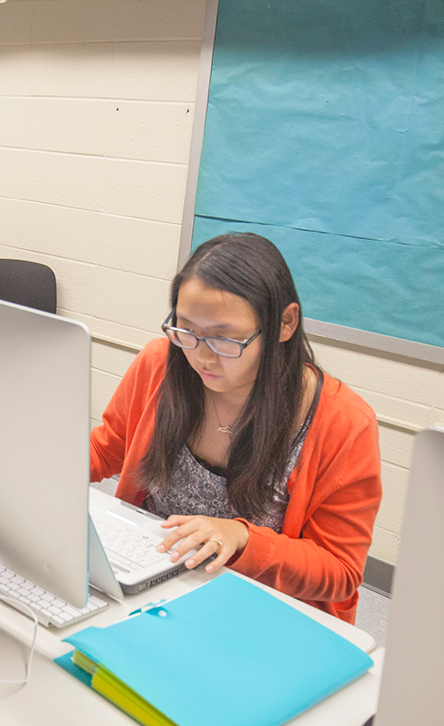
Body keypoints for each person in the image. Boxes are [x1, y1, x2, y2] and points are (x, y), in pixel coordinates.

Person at [90, 232, 381, 624]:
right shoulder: (161, 363)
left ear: (285, 323)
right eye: (186, 329)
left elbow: (339, 572)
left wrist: (242, 539)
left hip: (259, 611)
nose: (202, 356)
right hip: (152, 585)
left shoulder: (343, 423)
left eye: (225, 339)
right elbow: (108, 448)